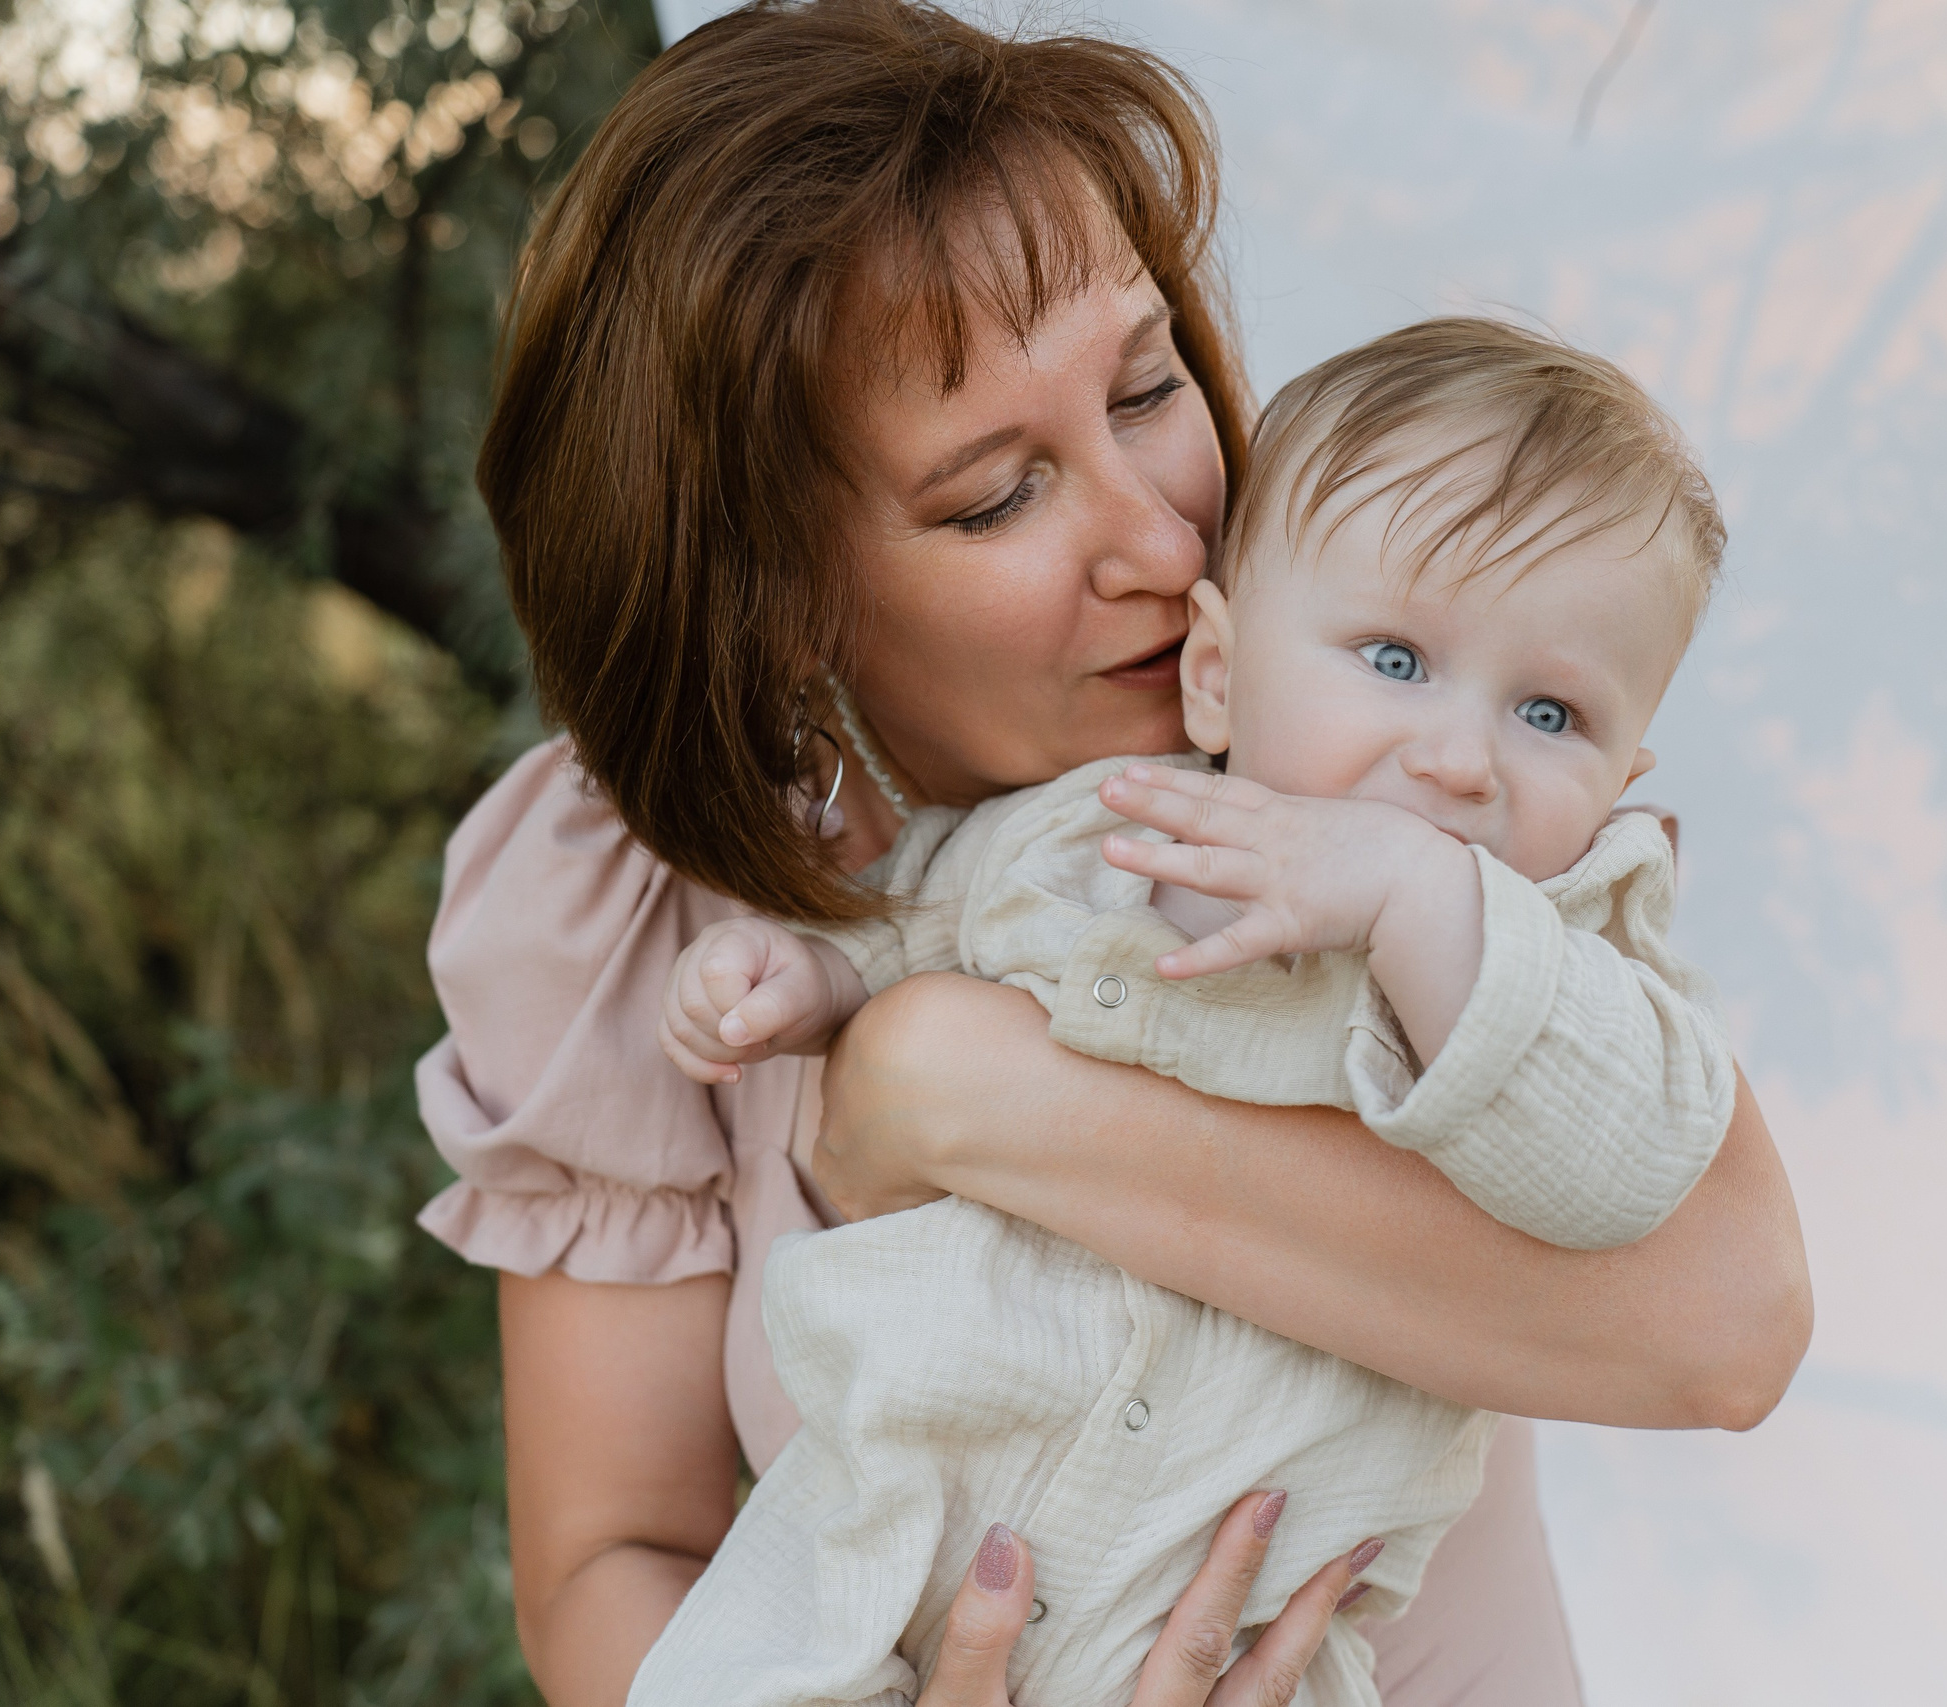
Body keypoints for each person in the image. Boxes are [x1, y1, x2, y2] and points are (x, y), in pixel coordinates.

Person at [418, 4, 1814, 1705]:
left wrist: (967, 1095)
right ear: (772, 601)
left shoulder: (1399, 755)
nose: (1164, 540)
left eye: (1149, 389)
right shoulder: (615, 915)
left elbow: (1727, 1323)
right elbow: (605, 1562)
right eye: (998, 497)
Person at [640, 317, 1739, 1707]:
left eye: (1553, 715)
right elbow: (937, 925)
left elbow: (1627, 1163)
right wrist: (812, 989)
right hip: (885, 1556)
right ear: (1217, 674)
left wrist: (1413, 901)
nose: (1461, 759)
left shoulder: (1566, 955)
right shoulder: (1102, 831)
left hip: (1257, 1638)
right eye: (1396, 663)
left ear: (1630, 773)